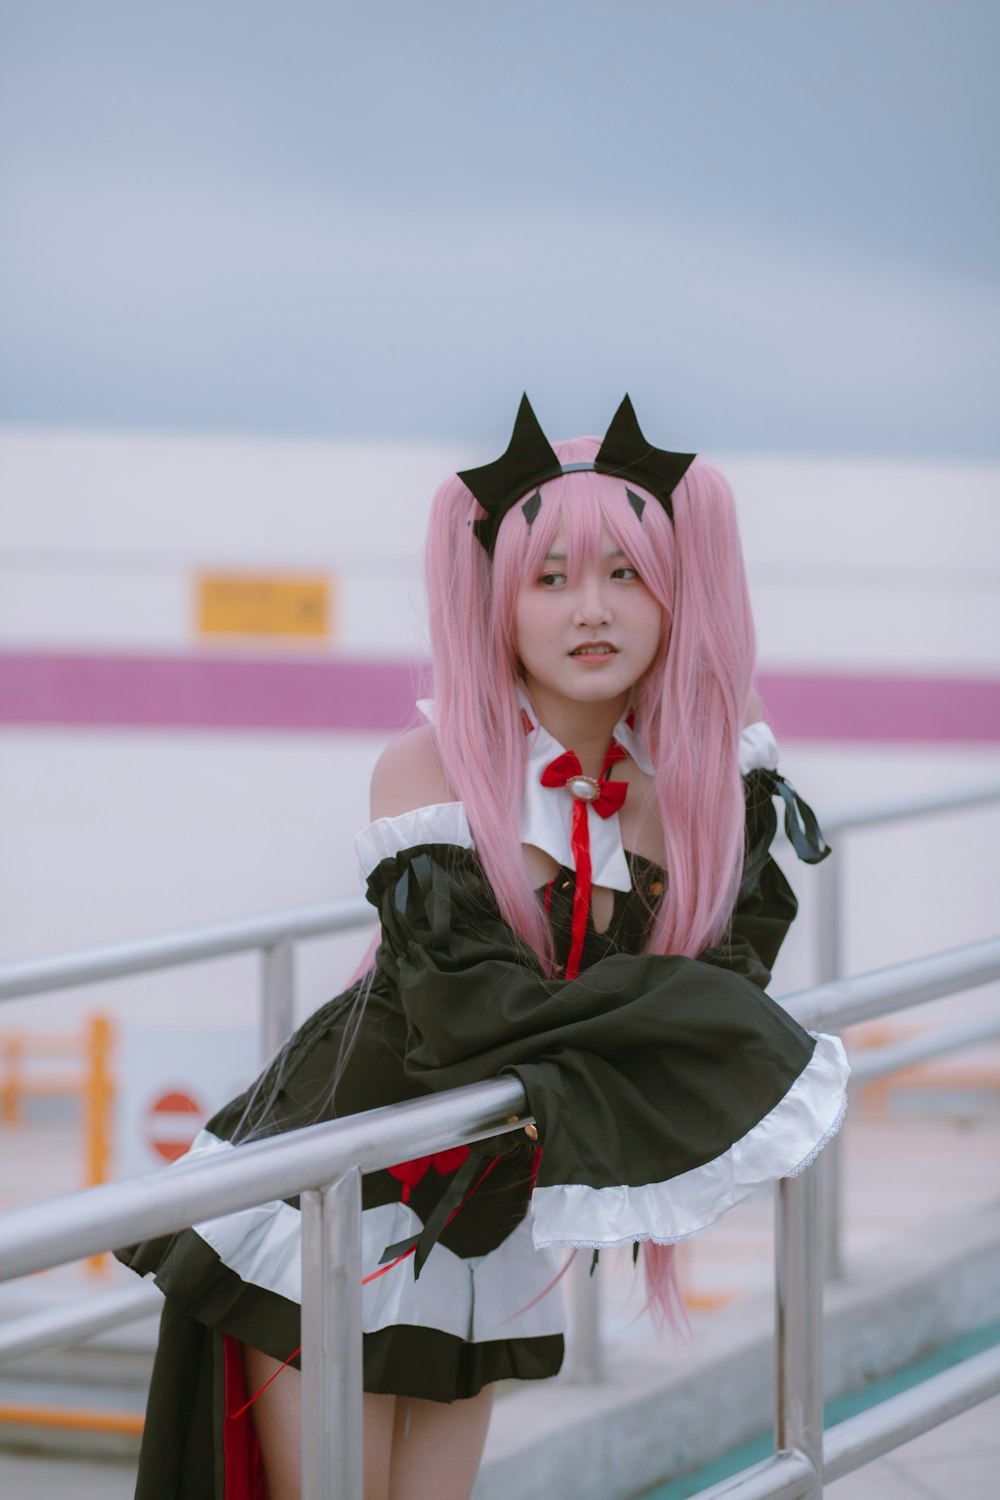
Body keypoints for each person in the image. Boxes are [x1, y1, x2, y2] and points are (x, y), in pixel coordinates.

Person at [117, 396, 848, 1500]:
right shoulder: (431, 771)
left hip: (485, 1200)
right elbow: (483, 1018)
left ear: (677, 590)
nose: (588, 610)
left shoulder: (694, 785)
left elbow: (727, 977)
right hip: (336, 1178)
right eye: (548, 578)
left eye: (625, 574)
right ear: (497, 603)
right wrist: (692, 1032)